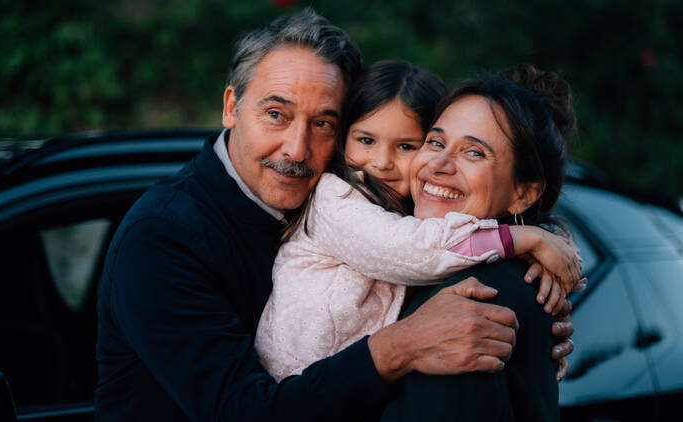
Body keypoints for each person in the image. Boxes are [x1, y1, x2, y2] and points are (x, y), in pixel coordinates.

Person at [95, 9, 575, 421]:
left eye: (324, 123)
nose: (298, 149)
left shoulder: (366, 198)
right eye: (276, 114)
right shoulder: (162, 235)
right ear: (230, 107)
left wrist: (530, 315)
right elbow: (241, 412)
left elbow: (432, 230)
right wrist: (402, 346)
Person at [255, 60, 582, 382]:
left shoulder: (418, 221)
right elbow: (412, 250)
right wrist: (521, 239)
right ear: (344, 141)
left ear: (524, 193)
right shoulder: (336, 198)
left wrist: (537, 327)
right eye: (436, 143)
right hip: (295, 379)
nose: (381, 163)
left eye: (407, 146)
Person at [380, 63, 578, 421]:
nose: (438, 163)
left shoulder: (475, 297)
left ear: (523, 193)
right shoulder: (430, 268)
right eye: (435, 142)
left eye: (473, 153)